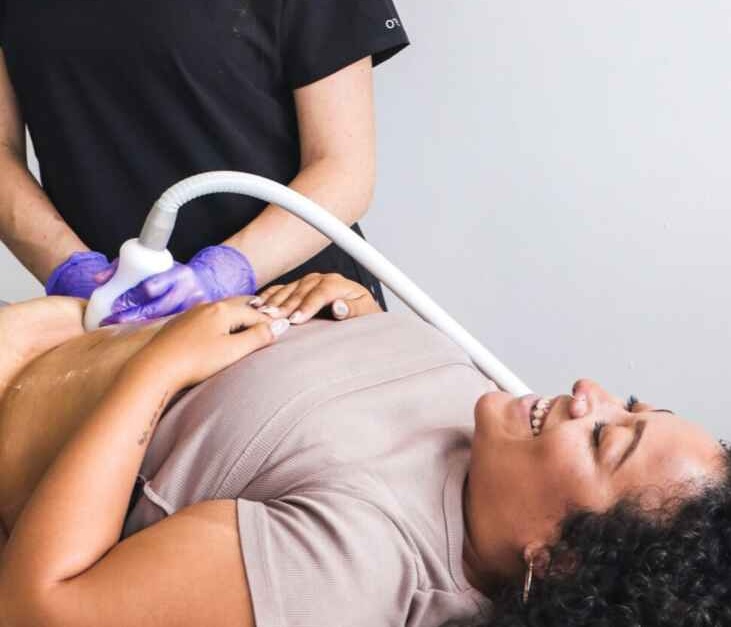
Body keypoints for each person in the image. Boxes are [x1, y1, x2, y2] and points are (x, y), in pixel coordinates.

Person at [0, 276, 729, 626]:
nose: (586, 390)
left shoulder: (349, 574)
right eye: (629, 406)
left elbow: (39, 607)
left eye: (605, 436)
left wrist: (158, 367)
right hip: (54, 330)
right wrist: (351, 318)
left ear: (555, 558)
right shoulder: (492, 437)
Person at [0, 0, 409, 324]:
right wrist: (74, 271)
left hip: (294, 309)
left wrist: (222, 275)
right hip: (114, 332)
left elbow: (342, 168)